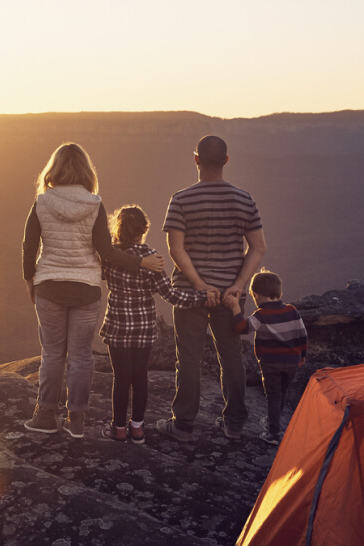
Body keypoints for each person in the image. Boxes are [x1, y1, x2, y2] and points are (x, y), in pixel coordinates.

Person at [22, 143, 164, 439]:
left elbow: (29, 247)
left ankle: (46, 416)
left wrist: (30, 280)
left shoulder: (42, 202)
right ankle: (77, 420)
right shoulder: (94, 204)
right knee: (82, 356)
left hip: (49, 285)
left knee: (52, 355)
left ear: (54, 168)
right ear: (86, 170)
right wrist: (142, 262)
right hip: (86, 289)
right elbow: (106, 251)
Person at [154, 135, 267, 442]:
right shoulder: (245, 199)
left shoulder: (181, 199)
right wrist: (238, 285)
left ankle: (184, 425)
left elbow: (176, 249)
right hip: (231, 296)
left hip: (190, 294)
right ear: (226, 161)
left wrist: (200, 284)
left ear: (196, 159)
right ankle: (234, 423)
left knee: (188, 357)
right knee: (230, 355)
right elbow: (258, 248)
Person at [98, 204, 212, 444]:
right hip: (143, 326)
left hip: (118, 324)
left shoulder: (110, 256)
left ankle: (118, 429)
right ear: (144, 230)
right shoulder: (153, 258)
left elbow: (97, 273)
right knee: (140, 376)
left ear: (118, 229)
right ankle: (138, 429)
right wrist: (203, 296)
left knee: (121, 378)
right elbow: (172, 296)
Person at [229, 270, 307, 444]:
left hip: (271, 364)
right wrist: (302, 355)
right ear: (279, 293)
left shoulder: (261, 315)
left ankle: (273, 432)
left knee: (273, 394)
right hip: (292, 362)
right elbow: (302, 334)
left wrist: (235, 307)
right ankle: (275, 421)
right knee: (283, 392)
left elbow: (242, 328)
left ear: (255, 295)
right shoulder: (292, 311)